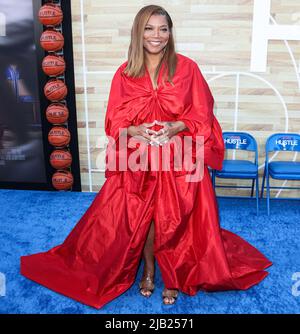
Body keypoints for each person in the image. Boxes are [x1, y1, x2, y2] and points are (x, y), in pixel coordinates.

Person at [20, 5, 272, 309]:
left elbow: (203, 115)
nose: (157, 35)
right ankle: (150, 270)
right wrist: (136, 130)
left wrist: (178, 125)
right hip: (138, 160)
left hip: (179, 158)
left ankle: (175, 275)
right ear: (138, 33)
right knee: (146, 218)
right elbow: (114, 122)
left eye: (163, 29)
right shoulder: (125, 74)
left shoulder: (187, 68)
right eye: (149, 28)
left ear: (170, 33)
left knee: (175, 217)